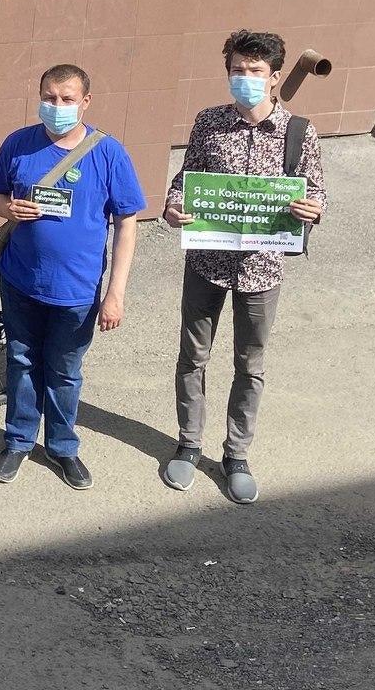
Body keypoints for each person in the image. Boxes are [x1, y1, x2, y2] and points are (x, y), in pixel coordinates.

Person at [161, 30, 327, 505]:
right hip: (206, 263)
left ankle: (236, 454)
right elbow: (184, 179)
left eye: (255, 72)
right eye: (237, 71)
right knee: (193, 357)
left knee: (249, 364)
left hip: (262, 268)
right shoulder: (209, 123)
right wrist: (175, 207)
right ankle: (188, 445)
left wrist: (311, 209)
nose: (245, 79)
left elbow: (315, 191)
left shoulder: (300, 132)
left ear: (275, 78)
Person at [0, 64, 143, 489]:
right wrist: (6, 209)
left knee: (65, 371)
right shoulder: (18, 144)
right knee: (20, 361)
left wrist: (116, 294)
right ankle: (18, 441)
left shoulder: (109, 153)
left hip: (77, 290)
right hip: (21, 281)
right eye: (49, 98)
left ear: (85, 102)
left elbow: (128, 223)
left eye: (67, 99)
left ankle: (62, 447)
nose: (57, 106)